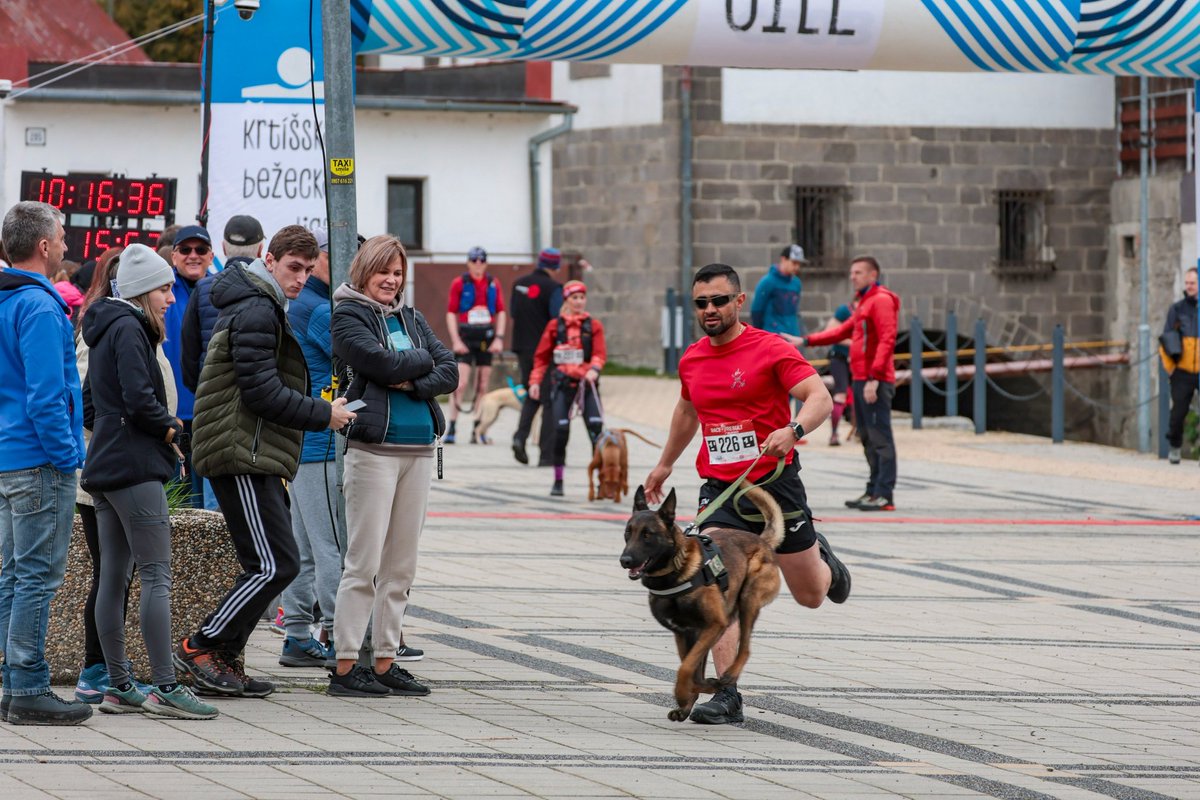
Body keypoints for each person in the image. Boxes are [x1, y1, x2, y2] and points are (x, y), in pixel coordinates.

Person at [643, 262, 850, 726]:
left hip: (775, 485)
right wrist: (665, 462)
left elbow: (820, 397)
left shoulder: (769, 349)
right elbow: (686, 409)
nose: (710, 309)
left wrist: (793, 429)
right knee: (715, 581)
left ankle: (823, 561)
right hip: (721, 491)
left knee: (812, 595)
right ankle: (727, 694)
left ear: (739, 302)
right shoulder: (693, 358)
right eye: (702, 303)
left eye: (719, 300)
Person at [175, 225, 355, 699]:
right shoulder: (257, 308)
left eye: (307, 270)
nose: (300, 278)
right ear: (268, 259)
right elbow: (261, 392)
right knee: (274, 564)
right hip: (242, 452)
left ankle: (222, 657)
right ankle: (200, 647)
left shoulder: (261, 303)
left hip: (249, 449)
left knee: (272, 562)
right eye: (293, 268)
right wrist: (325, 413)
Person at [79, 244, 218, 719]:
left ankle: (117, 685)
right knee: (156, 575)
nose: (171, 298)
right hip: (136, 466)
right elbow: (141, 400)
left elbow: (91, 404)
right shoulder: (132, 328)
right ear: (141, 291)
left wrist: (120, 431)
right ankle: (165, 685)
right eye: (163, 289)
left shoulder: (99, 327)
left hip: (103, 466)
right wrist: (170, 429)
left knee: (113, 579)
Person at [327, 234, 457, 698]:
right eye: (384, 271)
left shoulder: (412, 317)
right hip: (374, 453)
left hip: (419, 451)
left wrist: (408, 375)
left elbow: (450, 370)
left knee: (401, 566)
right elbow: (377, 363)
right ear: (365, 271)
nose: (392, 280)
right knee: (363, 563)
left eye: (398, 273)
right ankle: (344, 667)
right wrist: (413, 368)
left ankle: (385, 661)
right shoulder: (346, 315)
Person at [0, 201, 92, 725]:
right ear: (42, 246)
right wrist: (67, 457)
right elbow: (46, 395)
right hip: (39, 460)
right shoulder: (38, 305)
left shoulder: (7, 298)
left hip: (9, 456)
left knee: (15, 575)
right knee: (35, 576)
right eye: (60, 237)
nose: (64, 245)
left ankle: (15, 685)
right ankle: (30, 686)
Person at [278, 227, 344, 668]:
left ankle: (298, 634)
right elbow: (362, 358)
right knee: (332, 546)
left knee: (304, 546)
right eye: (337, 253)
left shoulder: (301, 305)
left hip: (301, 441)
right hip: (321, 443)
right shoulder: (319, 310)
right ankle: (343, 635)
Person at [179, 214, 265, 512]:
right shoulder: (271, 292)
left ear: (224, 248)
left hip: (212, 407)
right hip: (259, 413)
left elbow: (188, 355)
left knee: (216, 501)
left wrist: (203, 389)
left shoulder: (205, 289)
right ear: (262, 248)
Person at [802, 256, 900, 511]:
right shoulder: (866, 302)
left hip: (873, 380)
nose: (852, 276)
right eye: (852, 272)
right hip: (861, 378)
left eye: (858, 272)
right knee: (867, 435)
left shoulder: (881, 300)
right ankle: (872, 490)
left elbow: (887, 340)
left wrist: (874, 378)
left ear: (873, 275)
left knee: (880, 435)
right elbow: (842, 331)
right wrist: (806, 341)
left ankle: (884, 493)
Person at [528, 280, 607, 497]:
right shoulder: (555, 326)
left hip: (586, 385)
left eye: (582, 297)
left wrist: (594, 369)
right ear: (567, 300)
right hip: (562, 385)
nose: (579, 302)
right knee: (561, 430)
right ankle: (558, 479)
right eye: (575, 298)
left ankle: (601, 481)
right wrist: (535, 381)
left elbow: (600, 354)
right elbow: (541, 357)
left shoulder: (593, 326)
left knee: (596, 428)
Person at [161, 225, 214, 507]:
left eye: (201, 250)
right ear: (174, 255)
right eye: (185, 250)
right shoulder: (162, 291)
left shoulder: (221, 289)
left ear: (211, 255)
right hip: (175, 411)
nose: (193, 256)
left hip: (211, 408)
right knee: (179, 496)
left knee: (213, 498)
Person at [445, 246, 507, 445]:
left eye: (481, 260)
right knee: (460, 384)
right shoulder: (459, 283)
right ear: (468, 262)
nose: (478, 264)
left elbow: (501, 311)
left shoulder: (492, 283)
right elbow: (451, 312)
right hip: (465, 338)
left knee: (482, 385)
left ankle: (477, 428)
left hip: (486, 338)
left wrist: (499, 337)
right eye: (474, 260)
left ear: (486, 263)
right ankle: (452, 427)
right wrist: (456, 340)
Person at [509, 247, 564, 466]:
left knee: (532, 394)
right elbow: (556, 320)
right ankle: (546, 455)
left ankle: (520, 437)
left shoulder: (518, 283)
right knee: (549, 399)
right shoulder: (554, 288)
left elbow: (514, 312)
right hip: (544, 351)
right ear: (556, 267)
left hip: (522, 347)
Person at [1160, 267, 1198, 465]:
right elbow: (1165, 340)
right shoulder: (1177, 309)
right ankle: (1174, 447)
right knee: (1179, 412)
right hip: (1182, 370)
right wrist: (1170, 369)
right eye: (1187, 283)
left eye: (1192, 283)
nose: (1189, 287)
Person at [751, 244, 806, 346]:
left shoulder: (796, 283)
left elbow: (796, 312)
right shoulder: (768, 281)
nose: (797, 267)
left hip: (792, 337)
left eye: (799, 264)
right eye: (794, 263)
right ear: (783, 259)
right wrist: (759, 336)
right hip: (773, 337)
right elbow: (757, 310)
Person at [822, 303, 854, 446]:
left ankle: (861, 430)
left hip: (858, 360)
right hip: (840, 357)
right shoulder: (845, 310)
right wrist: (855, 343)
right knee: (841, 394)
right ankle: (834, 433)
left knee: (859, 395)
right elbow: (830, 333)